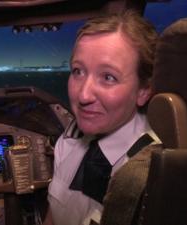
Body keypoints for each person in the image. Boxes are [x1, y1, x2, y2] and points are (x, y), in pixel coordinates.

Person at [43, 10, 159, 225]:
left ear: (144, 90)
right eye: (78, 71)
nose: (84, 95)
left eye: (108, 77)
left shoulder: (150, 174)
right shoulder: (69, 140)